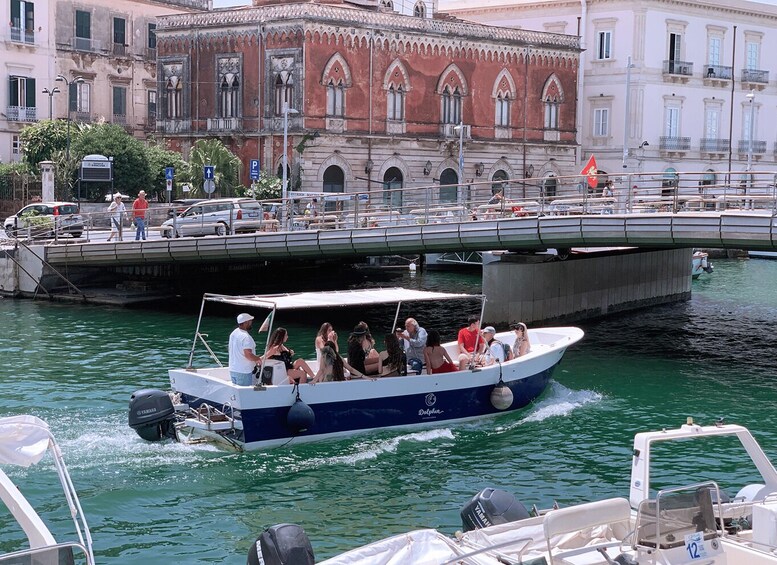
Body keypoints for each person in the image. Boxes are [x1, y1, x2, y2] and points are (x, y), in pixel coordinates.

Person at [228, 313, 263, 386]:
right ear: (246, 322)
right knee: (244, 395)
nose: (251, 323)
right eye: (250, 321)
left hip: (233, 369)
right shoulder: (246, 337)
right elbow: (248, 355)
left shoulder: (233, 333)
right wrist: (257, 359)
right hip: (243, 371)